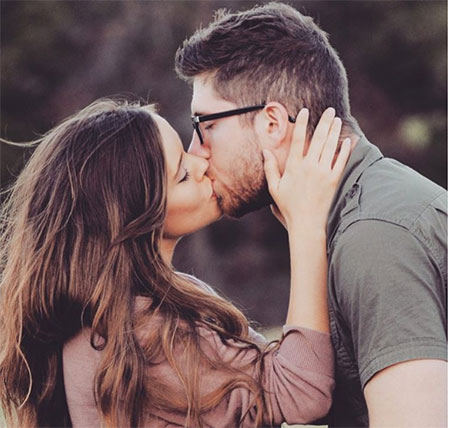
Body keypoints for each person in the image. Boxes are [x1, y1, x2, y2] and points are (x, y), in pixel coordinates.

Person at [175, 2, 448, 427]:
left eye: (205, 125)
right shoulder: (351, 217)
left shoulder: (374, 238)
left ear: (272, 124)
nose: (196, 153)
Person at [0, 98, 351, 427]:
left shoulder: (127, 310)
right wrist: (306, 225)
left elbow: (275, 369)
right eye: (182, 174)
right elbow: (300, 391)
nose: (201, 164)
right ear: (136, 217)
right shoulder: (138, 329)